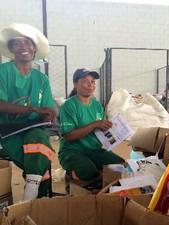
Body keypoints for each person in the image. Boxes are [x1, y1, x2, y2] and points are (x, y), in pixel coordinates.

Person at [0, 23, 56, 200]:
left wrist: (47, 115)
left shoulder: (42, 79)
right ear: (11, 50)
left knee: (39, 139)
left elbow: (46, 109)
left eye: (27, 43)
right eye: (17, 43)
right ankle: (35, 201)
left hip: (32, 128)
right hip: (7, 130)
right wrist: (33, 108)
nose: (23, 47)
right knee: (41, 159)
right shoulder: (3, 71)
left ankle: (29, 200)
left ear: (34, 49)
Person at [58, 68, 125, 191]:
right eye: (85, 81)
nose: (91, 85)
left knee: (120, 165)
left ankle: (96, 175)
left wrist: (111, 128)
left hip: (94, 150)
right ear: (75, 84)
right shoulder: (69, 105)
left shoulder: (96, 105)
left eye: (93, 81)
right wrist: (94, 124)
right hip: (72, 151)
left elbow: (101, 128)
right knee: (87, 170)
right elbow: (68, 137)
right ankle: (72, 174)